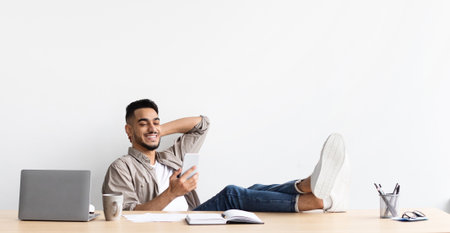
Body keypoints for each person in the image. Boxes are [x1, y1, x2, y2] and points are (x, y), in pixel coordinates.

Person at [102, 99, 349, 212]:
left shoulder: (171, 156)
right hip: (166, 227)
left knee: (253, 189)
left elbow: (202, 124)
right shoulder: (122, 167)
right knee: (232, 195)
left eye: (155, 121)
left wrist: (158, 131)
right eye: (143, 124)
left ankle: (308, 186)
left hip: (192, 219)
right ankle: (317, 201)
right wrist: (172, 193)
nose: (152, 127)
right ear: (129, 130)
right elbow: (125, 217)